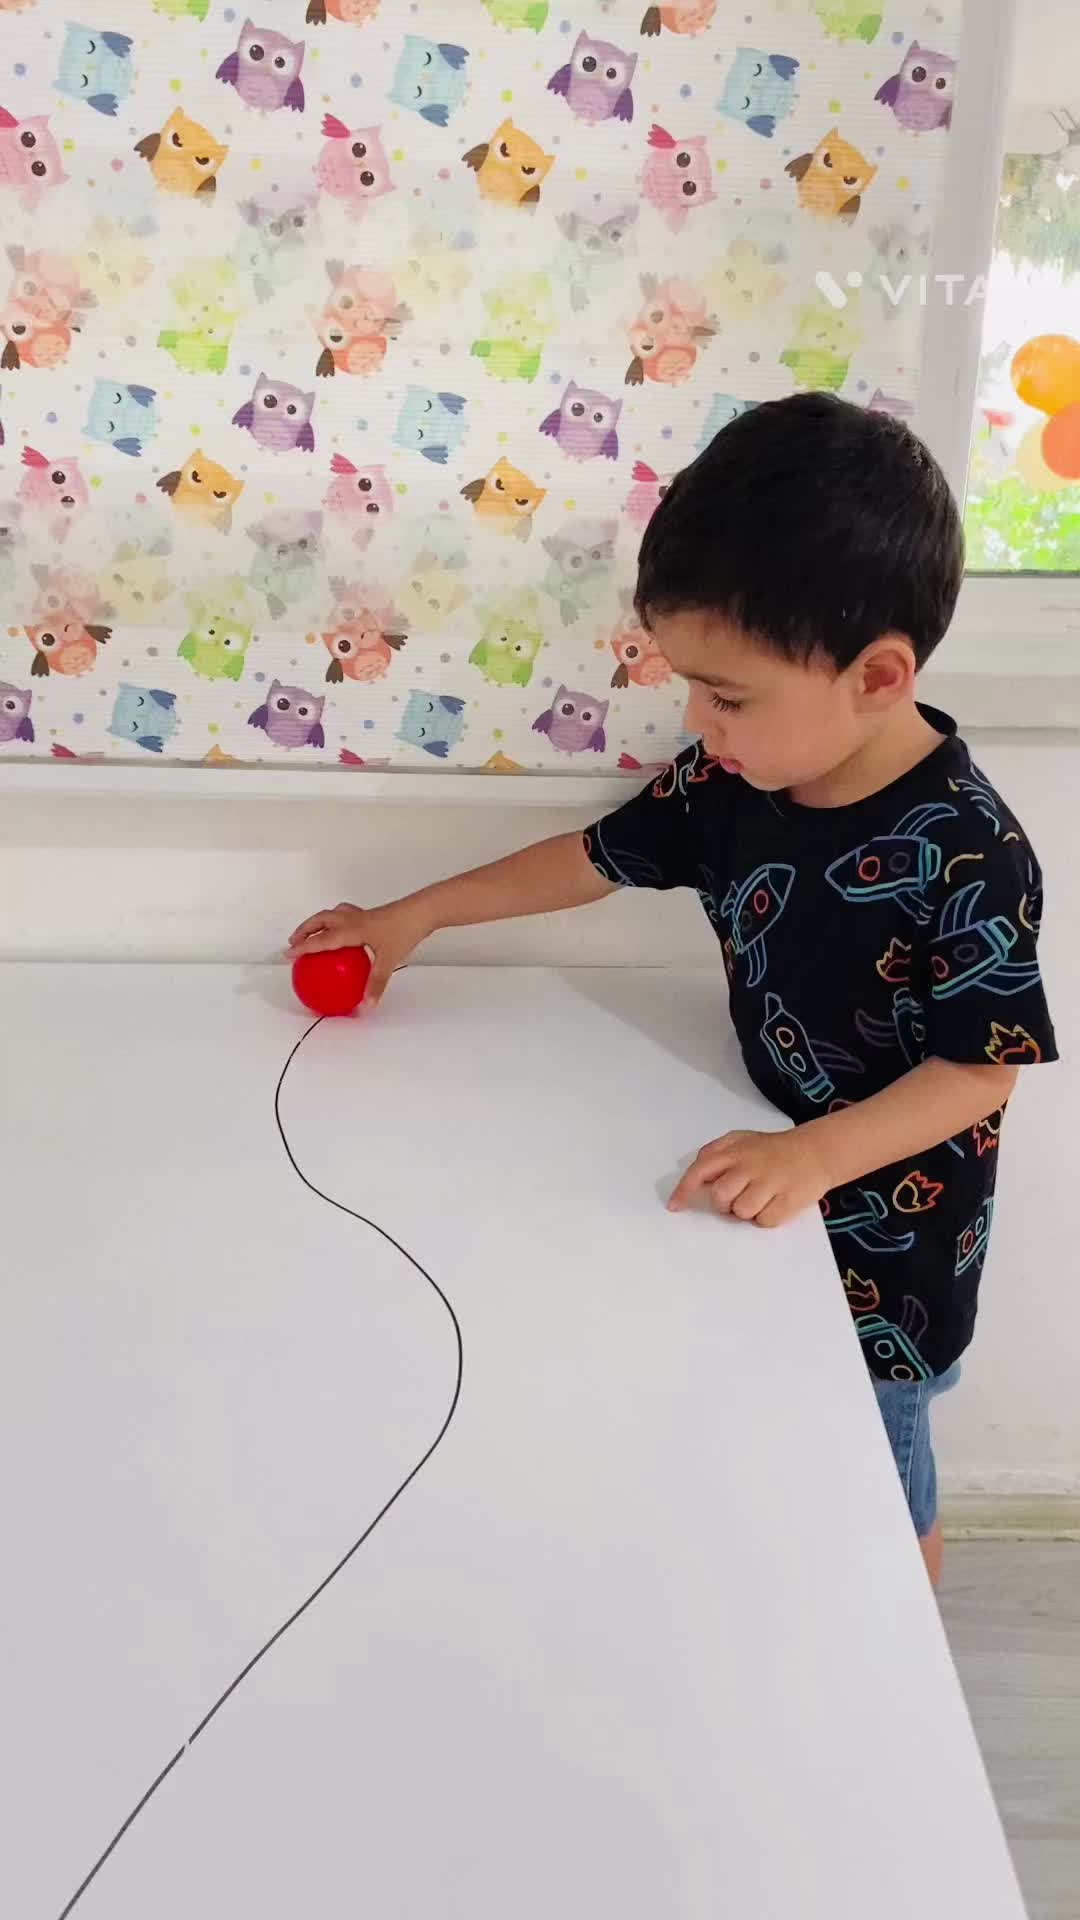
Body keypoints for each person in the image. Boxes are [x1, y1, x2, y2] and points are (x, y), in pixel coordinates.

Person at [289, 393, 1057, 1584]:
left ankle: (902, 1680)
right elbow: (594, 859)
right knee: (763, 1451)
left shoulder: (970, 851)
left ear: (878, 674)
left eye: (728, 696)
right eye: (691, 687)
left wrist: (811, 1157)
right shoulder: (734, 781)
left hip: (886, 1264)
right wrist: (414, 915)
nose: (697, 723)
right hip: (755, 1204)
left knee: (877, 1481)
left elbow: (980, 1068)